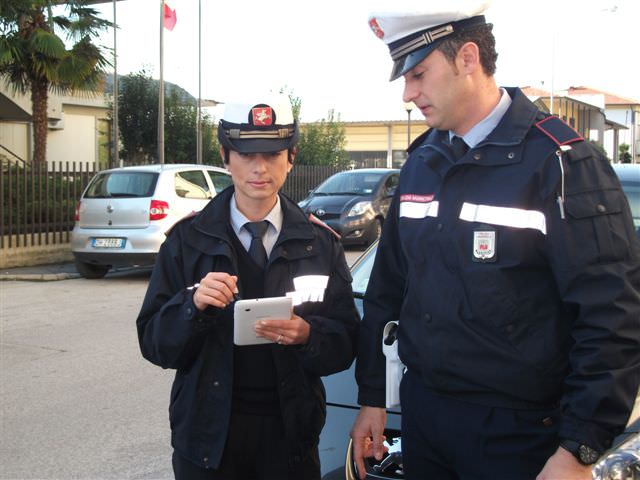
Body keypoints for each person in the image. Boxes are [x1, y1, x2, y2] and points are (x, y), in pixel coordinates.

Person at [350, 2, 640, 479]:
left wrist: (578, 449)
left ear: (467, 58)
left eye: (419, 74)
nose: (408, 93)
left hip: (518, 436)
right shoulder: (422, 162)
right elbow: (387, 290)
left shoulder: (561, 164)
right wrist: (373, 398)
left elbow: (611, 319)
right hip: (425, 420)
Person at [137, 94, 359, 480]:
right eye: (246, 154)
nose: (259, 168)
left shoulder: (320, 244)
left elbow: (344, 345)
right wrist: (193, 307)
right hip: (207, 443)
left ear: (291, 157)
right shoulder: (187, 241)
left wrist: (308, 334)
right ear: (225, 156)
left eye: (273, 155)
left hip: (290, 442)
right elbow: (155, 344)